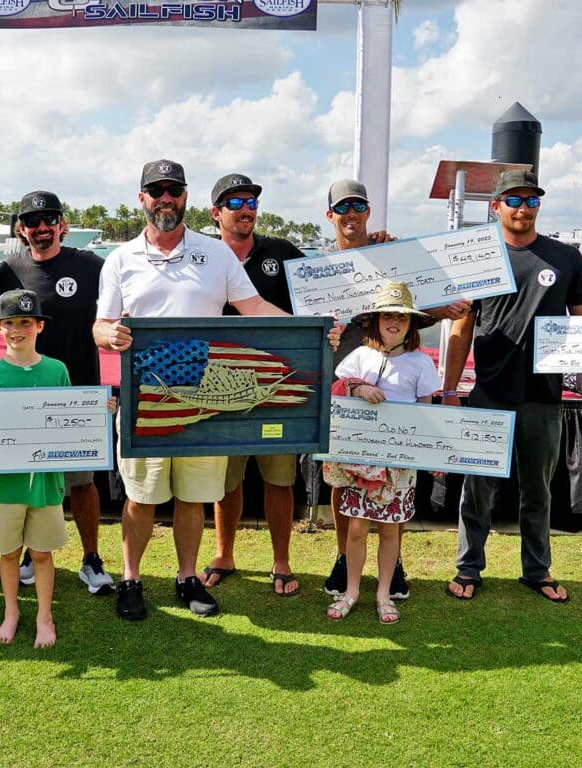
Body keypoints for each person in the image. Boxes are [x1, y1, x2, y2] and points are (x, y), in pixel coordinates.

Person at [93, 159, 291, 621]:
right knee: (140, 498)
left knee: (193, 497)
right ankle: (132, 578)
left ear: (185, 197)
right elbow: (101, 325)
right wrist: (110, 336)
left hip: (207, 399)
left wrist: (314, 329)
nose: (166, 199)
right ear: (142, 198)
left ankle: (186, 577)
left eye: (174, 191)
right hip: (147, 399)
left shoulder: (216, 254)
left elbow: (255, 306)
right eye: (156, 191)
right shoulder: (121, 259)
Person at [442, 169, 582, 603]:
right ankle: (468, 568)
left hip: (543, 397)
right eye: (514, 200)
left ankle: (537, 571)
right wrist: (451, 389)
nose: (523, 208)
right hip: (489, 392)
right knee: (477, 489)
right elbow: (461, 327)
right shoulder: (479, 258)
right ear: (496, 206)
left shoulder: (565, 257)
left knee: (538, 491)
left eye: (531, 200)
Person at [320, 179, 471, 603]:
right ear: (331, 215)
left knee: (398, 470)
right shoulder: (317, 266)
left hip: (398, 390)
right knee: (343, 477)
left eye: (359, 206)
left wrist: (444, 309)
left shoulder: (393, 255)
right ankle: (342, 557)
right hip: (345, 383)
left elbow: (413, 307)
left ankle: (395, 558)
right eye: (342, 207)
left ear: (368, 212)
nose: (351, 213)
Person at [0, 190, 114, 595]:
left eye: (49, 219)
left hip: (78, 394)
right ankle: (31, 552)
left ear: (62, 224)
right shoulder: (8, 269)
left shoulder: (92, 265)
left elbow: (122, 314)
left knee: (82, 484)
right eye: (32, 221)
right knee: (32, 479)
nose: (41, 228)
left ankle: (91, 558)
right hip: (24, 398)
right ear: (20, 229)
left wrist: (110, 391)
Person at [200, 173, 305, 597]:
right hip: (218, 386)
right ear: (216, 213)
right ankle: (224, 554)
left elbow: (331, 287)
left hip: (277, 388)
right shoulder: (203, 256)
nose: (245, 209)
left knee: (280, 478)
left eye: (251, 202)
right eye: (234, 202)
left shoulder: (282, 253)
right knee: (226, 479)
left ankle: (281, 561)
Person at [323, 282, 441, 624]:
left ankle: (384, 593)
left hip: (399, 462)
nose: (394, 323)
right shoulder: (360, 355)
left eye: (401, 318)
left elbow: (426, 413)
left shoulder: (420, 363)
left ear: (411, 325)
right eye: (388, 316)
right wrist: (359, 387)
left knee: (390, 529)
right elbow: (339, 389)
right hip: (362, 459)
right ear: (376, 321)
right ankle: (352, 590)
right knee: (357, 528)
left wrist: (431, 454)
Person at [0, 289, 71, 648]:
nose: (18, 330)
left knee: (42, 553)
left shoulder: (56, 370)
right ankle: (12, 611)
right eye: (10, 323)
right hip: (5, 485)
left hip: (46, 483)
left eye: (25, 323)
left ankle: (44, 616)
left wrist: (97, 413)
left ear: (38, 327)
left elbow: (70, 422)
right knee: (9, 554)